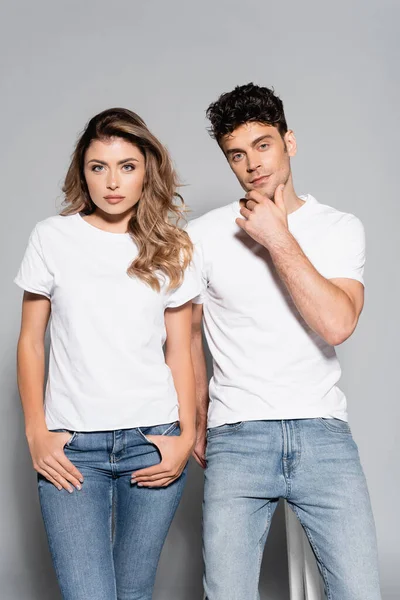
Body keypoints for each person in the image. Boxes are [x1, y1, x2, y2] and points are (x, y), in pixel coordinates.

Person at [189, 83, 381, 600]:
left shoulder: (340, 227)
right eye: (237, 154)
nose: (252, 163)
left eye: (263, 145)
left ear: (289, 142)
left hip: (323, 435)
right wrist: (194, 420)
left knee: (361, 592)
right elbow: (183, 336)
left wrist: (277, 237)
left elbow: (338, 323)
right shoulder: (204, 235)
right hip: (238, 437)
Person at [15, 107, 200, 600]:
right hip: (72, 447)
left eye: (126, 166)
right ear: (84, 172)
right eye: (99, 167)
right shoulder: (52, 238)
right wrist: (36, 432)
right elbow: (31, 341)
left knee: (135, 592)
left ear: (147, 171)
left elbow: (181, 352)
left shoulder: (172, 246)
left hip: (151, 438)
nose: (112, 182)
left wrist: (186, 437)